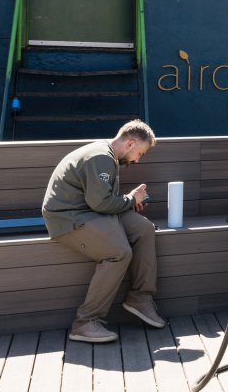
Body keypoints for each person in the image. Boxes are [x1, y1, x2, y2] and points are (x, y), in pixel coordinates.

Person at [42, 119, 166, 344]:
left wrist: (129, 201)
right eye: (140, 153)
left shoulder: (108, 156)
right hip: (69, 217)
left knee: (144, 229)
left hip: (91, 211)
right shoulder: (100, 157)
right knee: (118, 253)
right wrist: (131, 199)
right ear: (130, 144)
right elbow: (100, 203)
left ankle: (140, 298)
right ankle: (85, 322)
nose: (137, 160)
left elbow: (101, 200)